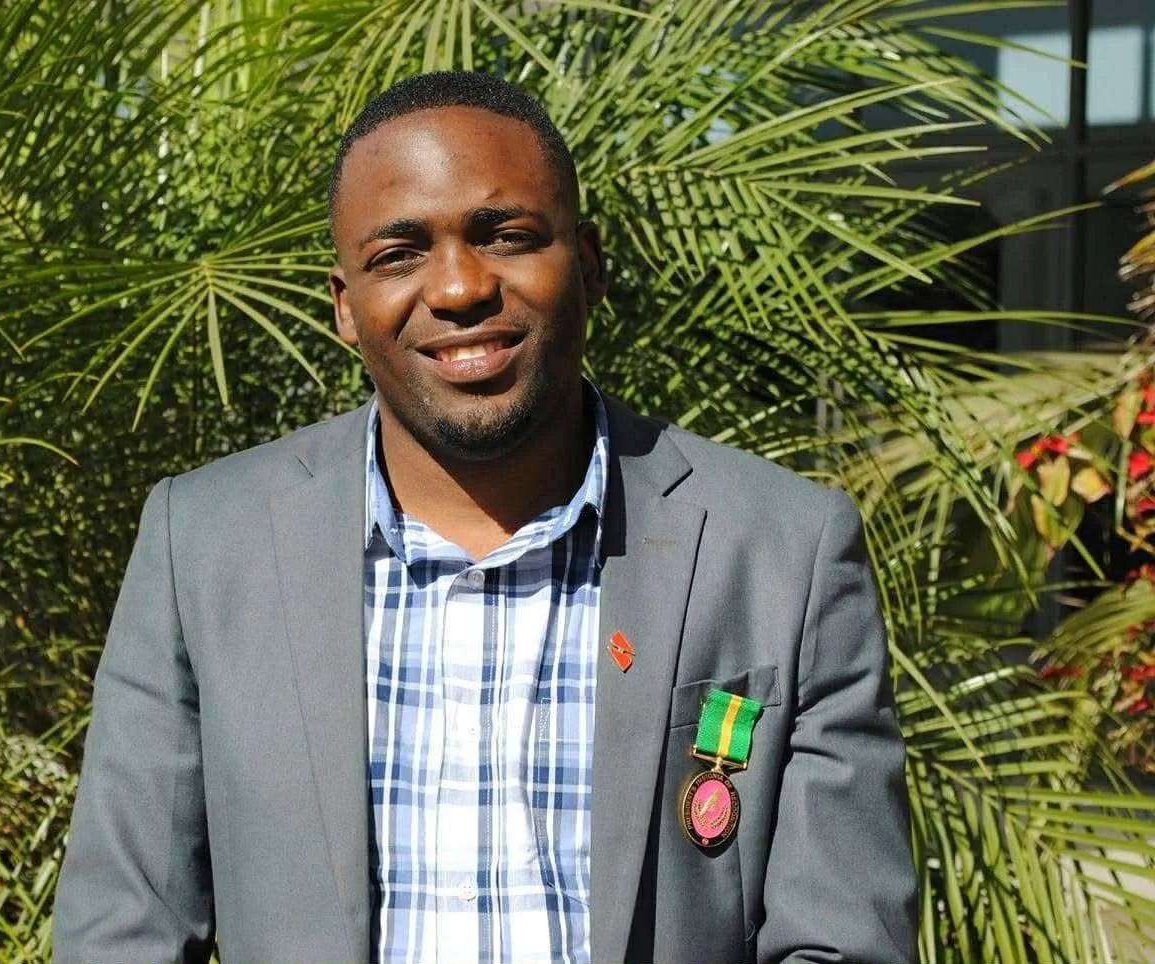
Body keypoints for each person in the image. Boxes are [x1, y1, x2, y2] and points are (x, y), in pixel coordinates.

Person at [53, 71, 917, 964]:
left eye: (504, 236)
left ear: (588, 264)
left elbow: (843, 940)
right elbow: (124, 932)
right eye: (398, 254)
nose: (460, 287)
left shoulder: (783, 553)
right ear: (345, 306)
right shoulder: (203, 547)